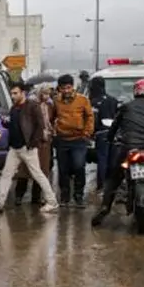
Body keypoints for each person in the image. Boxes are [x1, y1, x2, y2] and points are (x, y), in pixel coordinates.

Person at [0, 82, 59, 213]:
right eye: (11, 93)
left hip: (27, 147)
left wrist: (32, 143)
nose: (12, 96)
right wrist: (6, 122)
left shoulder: (32, 106)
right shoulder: (14, 107)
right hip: (15, 148)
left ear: (23, 93)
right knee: (6, 174)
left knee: (38, 174)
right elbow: (14, 125)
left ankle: (52, 201)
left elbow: (40, 126)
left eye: (15, 93)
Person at [92, 78, 144, 227]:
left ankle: (105, 208)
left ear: (136, 91)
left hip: (130, 150)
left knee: (114, 178)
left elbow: (114, 126)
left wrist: (109, 138)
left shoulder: (126, 107)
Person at [52, 74, 94, 207]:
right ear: (59, 89)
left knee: (79, 166)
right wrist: (53, 130)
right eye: (63, 88)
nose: (66, 91)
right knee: (63, 169)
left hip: (79, 140)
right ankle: (64, 197)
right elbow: (51, 117)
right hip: (62, 139)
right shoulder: (56, 101)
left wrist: (87, 133)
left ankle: (79, 195)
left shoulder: (83, 100)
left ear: (73, 87)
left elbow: (90, 116)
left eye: (68, 87)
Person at [15, 84, 56, 205]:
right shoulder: (30, 105)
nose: (46, 96)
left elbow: (50, 120)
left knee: (42, 170)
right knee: (25, 169)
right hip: (31, 141)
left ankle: (36, 197)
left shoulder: (49, 105)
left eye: (48, 94)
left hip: (44, 141)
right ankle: (19, 196)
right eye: (44, 93)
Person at [88, 76, 119, 191]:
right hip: (115, 133)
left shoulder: (93, 102)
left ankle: (101, 186)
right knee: (112, 160)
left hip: (101, 133)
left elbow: (92, 119)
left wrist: (91, 133)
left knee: (102, 159)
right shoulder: (113, 100)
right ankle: (111, 185)